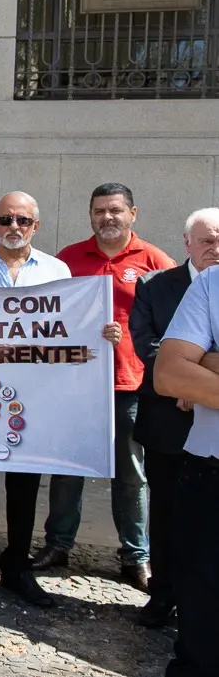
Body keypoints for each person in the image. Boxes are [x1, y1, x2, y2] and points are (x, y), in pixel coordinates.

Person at [0, 192, 121, 607]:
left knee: (23, 488)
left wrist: (102, 332)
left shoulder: (57, 270)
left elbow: (72, 326)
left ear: (35, 227)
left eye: (22, 220)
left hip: (34, 399)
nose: (13, 227)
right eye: (5, 219)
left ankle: (16, 567)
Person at [35, 183, 172, 592]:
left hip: (129, 383)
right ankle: (58, 545)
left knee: (131, 473)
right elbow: (47, 315)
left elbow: (170, 324)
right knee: (67, 469)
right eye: (100, 211)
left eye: (115, 210)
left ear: (133, 213)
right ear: (90, 215)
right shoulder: (69, 260)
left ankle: (136, 555)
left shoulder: (154, 261)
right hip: (75, 385)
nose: (107, 218)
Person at [129, 207, 219, 628]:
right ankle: (163, 594)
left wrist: (195, 371)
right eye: (207, 240)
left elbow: (185, 363)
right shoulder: (154, 285)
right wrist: (185, 378)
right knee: (165, 513)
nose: (214, 248)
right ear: (187, 243)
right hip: (167, 422)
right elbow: (150, 348)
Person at [153, 265, 219, 677]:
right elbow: (171, 375)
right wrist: (194, 364)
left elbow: (192, 369)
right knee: (203, 639)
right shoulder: (213, 285)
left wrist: (210, 362)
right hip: (211, 479)